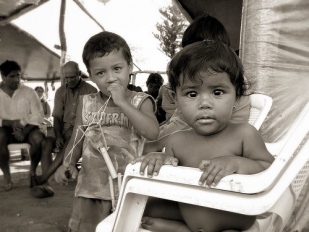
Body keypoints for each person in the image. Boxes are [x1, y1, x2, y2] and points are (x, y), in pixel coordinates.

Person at [133, 41, 275, 232]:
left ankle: (181, 229)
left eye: (217, 92)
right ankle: (186, 228)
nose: (204, 103)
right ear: (176, 100)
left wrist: (236, 163)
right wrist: (162, 160)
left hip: (233, 221)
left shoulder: (244, 133)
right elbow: (170, 172)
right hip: (189, 211)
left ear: (237, 95)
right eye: (192, 94)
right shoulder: (177, 140)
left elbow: (268, 170)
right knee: (142, 205)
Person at [54, 31, 159, 232]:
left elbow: (153, 132)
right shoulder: (88, 103)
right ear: (91, 75)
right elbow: (77, 138)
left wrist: (122, 103)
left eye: (117, 69)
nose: (110, 78)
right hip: (90, 189)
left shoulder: (140, 101)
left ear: (129, 66)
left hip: (129, 190)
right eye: (101, 73)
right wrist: (67, 163)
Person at [143, 13, 251, 154]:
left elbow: (182, 127)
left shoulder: (215, 79)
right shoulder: (225, 77)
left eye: (217, 92)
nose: (186, 57)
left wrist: (154, 140)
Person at [33, 61, 97, 186]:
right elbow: (57, 116)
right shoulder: (60, 91)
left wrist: (71, 131)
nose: (69, 80)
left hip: (82, 130)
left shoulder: (91, 90)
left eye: (72, 77)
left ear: (79, 74)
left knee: (70, 140)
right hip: (61, 129)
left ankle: (45, 177)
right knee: (46, 143)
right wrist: (58, 135)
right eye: (66, 78)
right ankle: (50, 180)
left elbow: (91, 120)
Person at [0, 60, 53, 196]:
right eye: (12, 76)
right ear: (3, 76)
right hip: (5, 128)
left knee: (38, 137)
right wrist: (9, 123)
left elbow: (38, 115)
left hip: (28, 127)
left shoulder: (28, 92)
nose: (16, 79)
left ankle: (33, 172)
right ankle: (7, 177)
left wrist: (24, 130)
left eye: (18, 75)